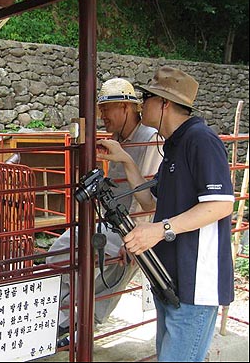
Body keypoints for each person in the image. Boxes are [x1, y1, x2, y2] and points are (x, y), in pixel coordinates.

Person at [98, 66, 234, 362]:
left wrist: (159, 230)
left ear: (164, 104)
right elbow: (149, 201)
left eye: (146, 97)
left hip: (195, 284)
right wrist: (125, 159)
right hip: (169, 278)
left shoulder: (201, 140)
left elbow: (221, 204)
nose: (141, 103)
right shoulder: (174, 145)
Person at [46, 78, 163, 339]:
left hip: (133, 226)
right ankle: (65, 317)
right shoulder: (119, 139)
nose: (102, 115)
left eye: (107, 109)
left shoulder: (150, 140)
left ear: (126, 108)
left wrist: (136, 237)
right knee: (60, 251)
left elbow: (150, 200)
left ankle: (77, 322)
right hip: (112, 219)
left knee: (104, 264)